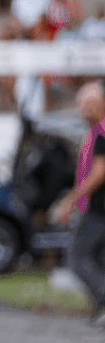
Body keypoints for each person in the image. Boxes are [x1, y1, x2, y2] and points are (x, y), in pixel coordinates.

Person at [53, 82, 105, 326]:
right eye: (83, 105)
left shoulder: (102, 132)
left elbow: (98, 172)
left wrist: (70, 201)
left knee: (78, 256)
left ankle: (103, 302)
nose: (86, 110)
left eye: (91, 105)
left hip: (99, 209)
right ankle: (99, 308)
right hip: (94, 207)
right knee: (97, 257)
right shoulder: (94, 131)